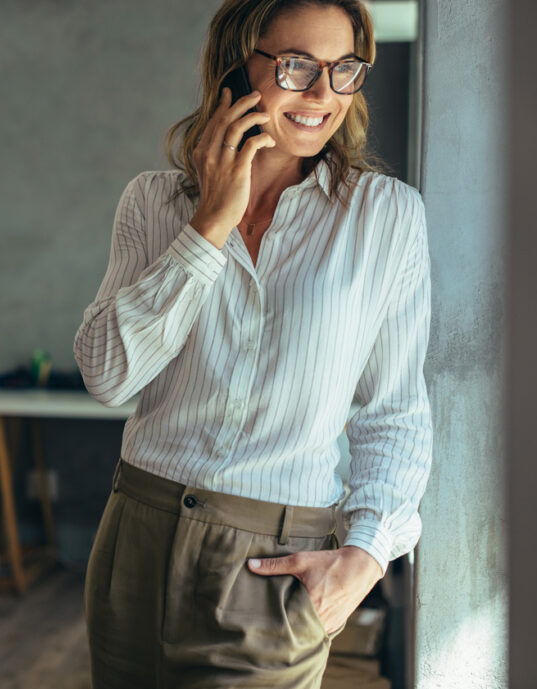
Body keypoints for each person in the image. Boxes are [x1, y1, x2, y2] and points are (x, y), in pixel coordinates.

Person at [72, 0, 432, 686]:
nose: (324, 94)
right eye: (297, 66)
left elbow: (394, 413)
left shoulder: (385, 217)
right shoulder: (153, 203)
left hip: (274, 568)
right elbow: (107, 377)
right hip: (135, 541)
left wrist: (365, 557)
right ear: (235, 70)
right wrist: (207, 228)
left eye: (345, 69)